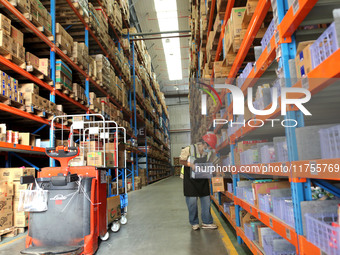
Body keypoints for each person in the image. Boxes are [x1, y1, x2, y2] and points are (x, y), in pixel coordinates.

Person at [180, 133, 218, 230]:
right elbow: (181, 161)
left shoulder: (209, 153)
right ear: (204, 144)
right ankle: (194, 222)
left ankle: (207, 222)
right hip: (190, 178)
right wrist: (191, 165)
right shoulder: (190, 149)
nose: (210, 149)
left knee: (206, 199)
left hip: (202, 177)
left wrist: (215, 171)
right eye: (209, 147)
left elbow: (213, 162)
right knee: (192, 201)